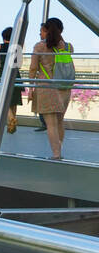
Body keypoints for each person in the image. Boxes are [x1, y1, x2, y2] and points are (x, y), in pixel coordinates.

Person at [29, 16, 74, 161]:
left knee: (51, 124)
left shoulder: (39, 47)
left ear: (45, 30)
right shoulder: (68, 47)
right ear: (61, 30)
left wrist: (30, 88)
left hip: (46, 87)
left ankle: (56, 154)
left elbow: (33, 68)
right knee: (60, 121)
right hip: (64, 87)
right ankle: (59, 151)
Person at [0, 25, 23, 133]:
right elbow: (19, 64)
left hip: (2, 75)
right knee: (13, 101)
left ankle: (11, 119)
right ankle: (11, 124)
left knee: (3, 100)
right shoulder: (17, 47)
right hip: (15, 75)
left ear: (3, 37)